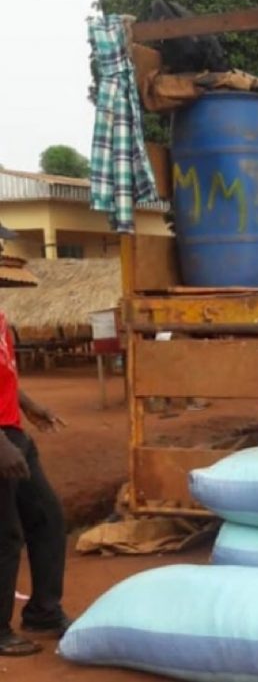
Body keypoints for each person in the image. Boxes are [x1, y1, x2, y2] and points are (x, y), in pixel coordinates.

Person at [0, 223, 70, 657]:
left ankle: (44, 610)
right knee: (5, 536)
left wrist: (28, 404)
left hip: (12, 431)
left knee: (46, 518)